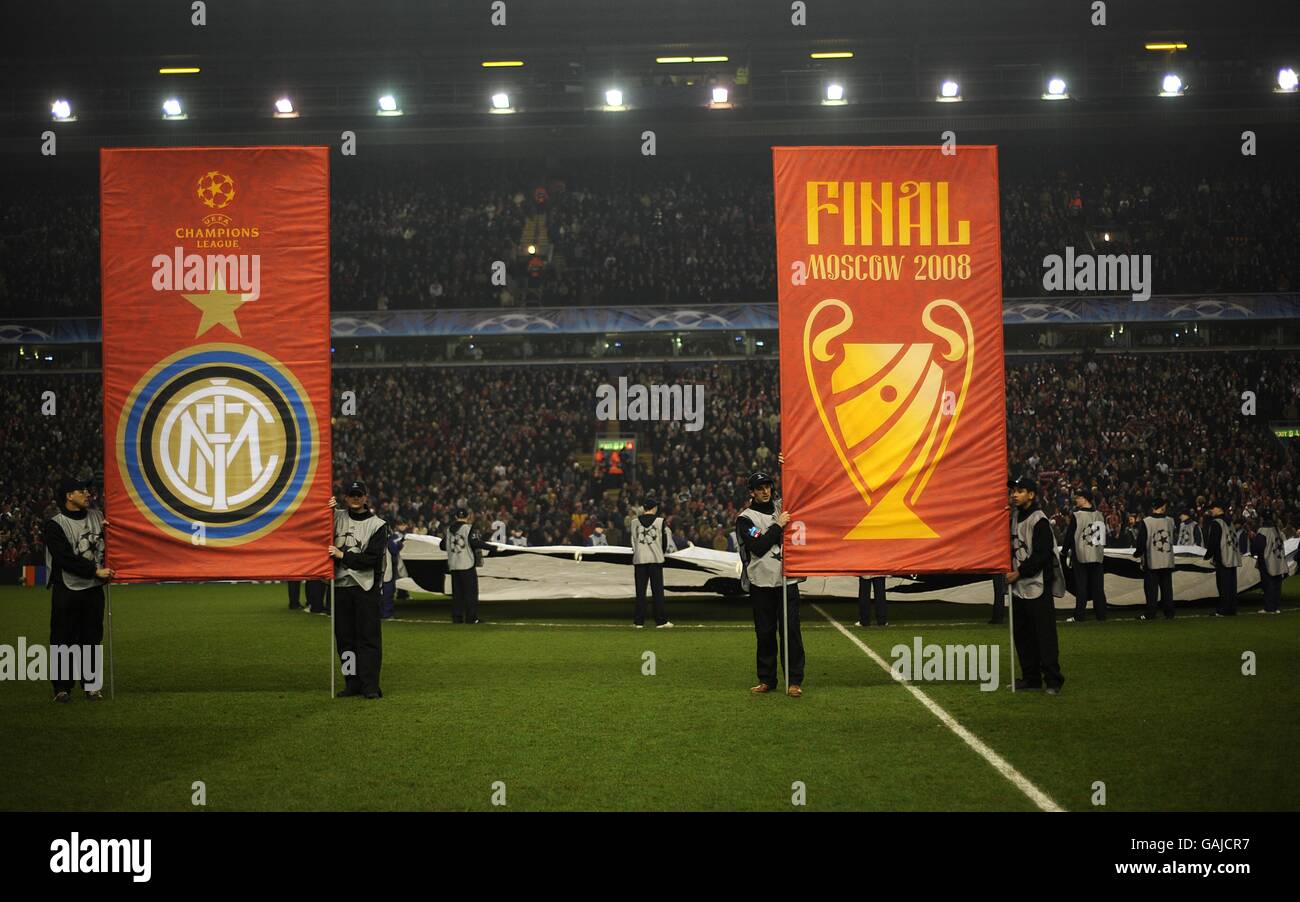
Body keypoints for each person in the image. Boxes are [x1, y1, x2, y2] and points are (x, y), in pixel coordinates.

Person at [43, 477, 114, 702]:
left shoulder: (98, 517)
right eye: (81, 490)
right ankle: (61, 688)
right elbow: (64, 558)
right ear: (68, 496)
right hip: (67, 588)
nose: (87, 493)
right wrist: (95, 571)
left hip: (93, 590)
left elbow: (110, 544)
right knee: (63, 638)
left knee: (92, 637)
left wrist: (110, 532)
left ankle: (91, 686)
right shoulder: (55, 524)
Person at [736, 470, 805, 697]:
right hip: (761, 583)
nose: (765, 491)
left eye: (768, 487)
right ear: (752, 492)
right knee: (764, 633)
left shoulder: (781, 507)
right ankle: (766, 679)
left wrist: (788, 464)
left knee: (791, 632)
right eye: (760, 488)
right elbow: (758, 546)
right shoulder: (746, 519)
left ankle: (794, 680)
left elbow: (799, 487)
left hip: (787, 580)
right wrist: (778, 526)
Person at [1006, 475, 1064, 694]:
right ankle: (1031, 678)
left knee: (1044, 635)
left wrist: (1018, 572)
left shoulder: (1039, 520)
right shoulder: (1014, 516)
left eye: (1020, 491)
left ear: (1031, 495)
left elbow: (1041, 556)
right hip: (1019, 586)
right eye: (1013, 491)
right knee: (1023, 635)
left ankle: (1053, 680)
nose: (1014, 495)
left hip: (1037, 585)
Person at [330, 482, 388, 699]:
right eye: (351, 494)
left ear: (365, 497)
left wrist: (343, 556)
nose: (355, 498)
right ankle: (351, 682)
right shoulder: (335, 517)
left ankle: (370, 685)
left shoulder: (378, 525)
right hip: (340, 587)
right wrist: (324, 507)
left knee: (368, 639)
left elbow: (372, 559)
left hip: (365, 588)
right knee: (344, 639)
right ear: (345, 497)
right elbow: (315, 524)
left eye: (358, 495)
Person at [1062, 489, 1107, 622]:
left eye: (1078, 497)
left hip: (1080, 555)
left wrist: (1064, 551)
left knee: (1081, 587)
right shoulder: (1099, 515)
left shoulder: (1077, 515)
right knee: (1098, 588)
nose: (1076, 499)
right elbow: (1102, 539)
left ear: (1085, 499)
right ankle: (1101, 615)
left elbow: (1070, 536)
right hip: (1097, 555)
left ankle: (1079, 615)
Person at [630, 498, 676, 628]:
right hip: (655, 560)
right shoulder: (660, 521)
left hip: (639, 560)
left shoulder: (634, 522)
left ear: (644, 508)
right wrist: (659, 552)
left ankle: (638, 622)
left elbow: (633, 541)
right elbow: (664, 542)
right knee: (658, 592)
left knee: (640, 593)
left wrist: (638, 551)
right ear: (654, 508)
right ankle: (660, 621)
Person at [445, 507, 490, 623]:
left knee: (457, 593)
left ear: (455, 517)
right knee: (470, 593)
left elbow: (442, 545)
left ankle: (457, 617)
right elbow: (475, 542)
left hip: (454, 565)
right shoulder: (468, 528)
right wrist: (492, 547)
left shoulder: (449, 529)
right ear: (467, 517)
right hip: (466, 564)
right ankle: (471, 618)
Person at [1136, 498, 1177, 620]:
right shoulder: (1170, 521)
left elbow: (1141, 541)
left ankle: (1151, 612)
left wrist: (1138, 553)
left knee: (1151, 589)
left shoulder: (1147, 522)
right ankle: (1169, 613)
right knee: (1167, 589)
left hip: (1153, 560)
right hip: (1167, 559)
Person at [1203, 501, 1241, 617]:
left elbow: (1213, 541)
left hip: (1223, 557)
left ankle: (1223, 609)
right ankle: (1231, 608)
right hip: (1233, 556)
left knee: (1223, 585)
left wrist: (1208, 555)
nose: (1211, 511)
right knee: (1231, 585)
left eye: (1213, 508)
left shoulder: (1216, 523)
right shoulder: (1229, 522)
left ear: (1218, 509)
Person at [1251, 509, 1287, 614]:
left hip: (1267, 561)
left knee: (1268, 584)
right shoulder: (1277, 529)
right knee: (1276, 584)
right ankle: (1275, 607)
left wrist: (1253, 549)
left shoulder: (1263, 530)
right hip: (1278, 559)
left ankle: (1269, 607)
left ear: (1262, 518)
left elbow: (1258, 547)